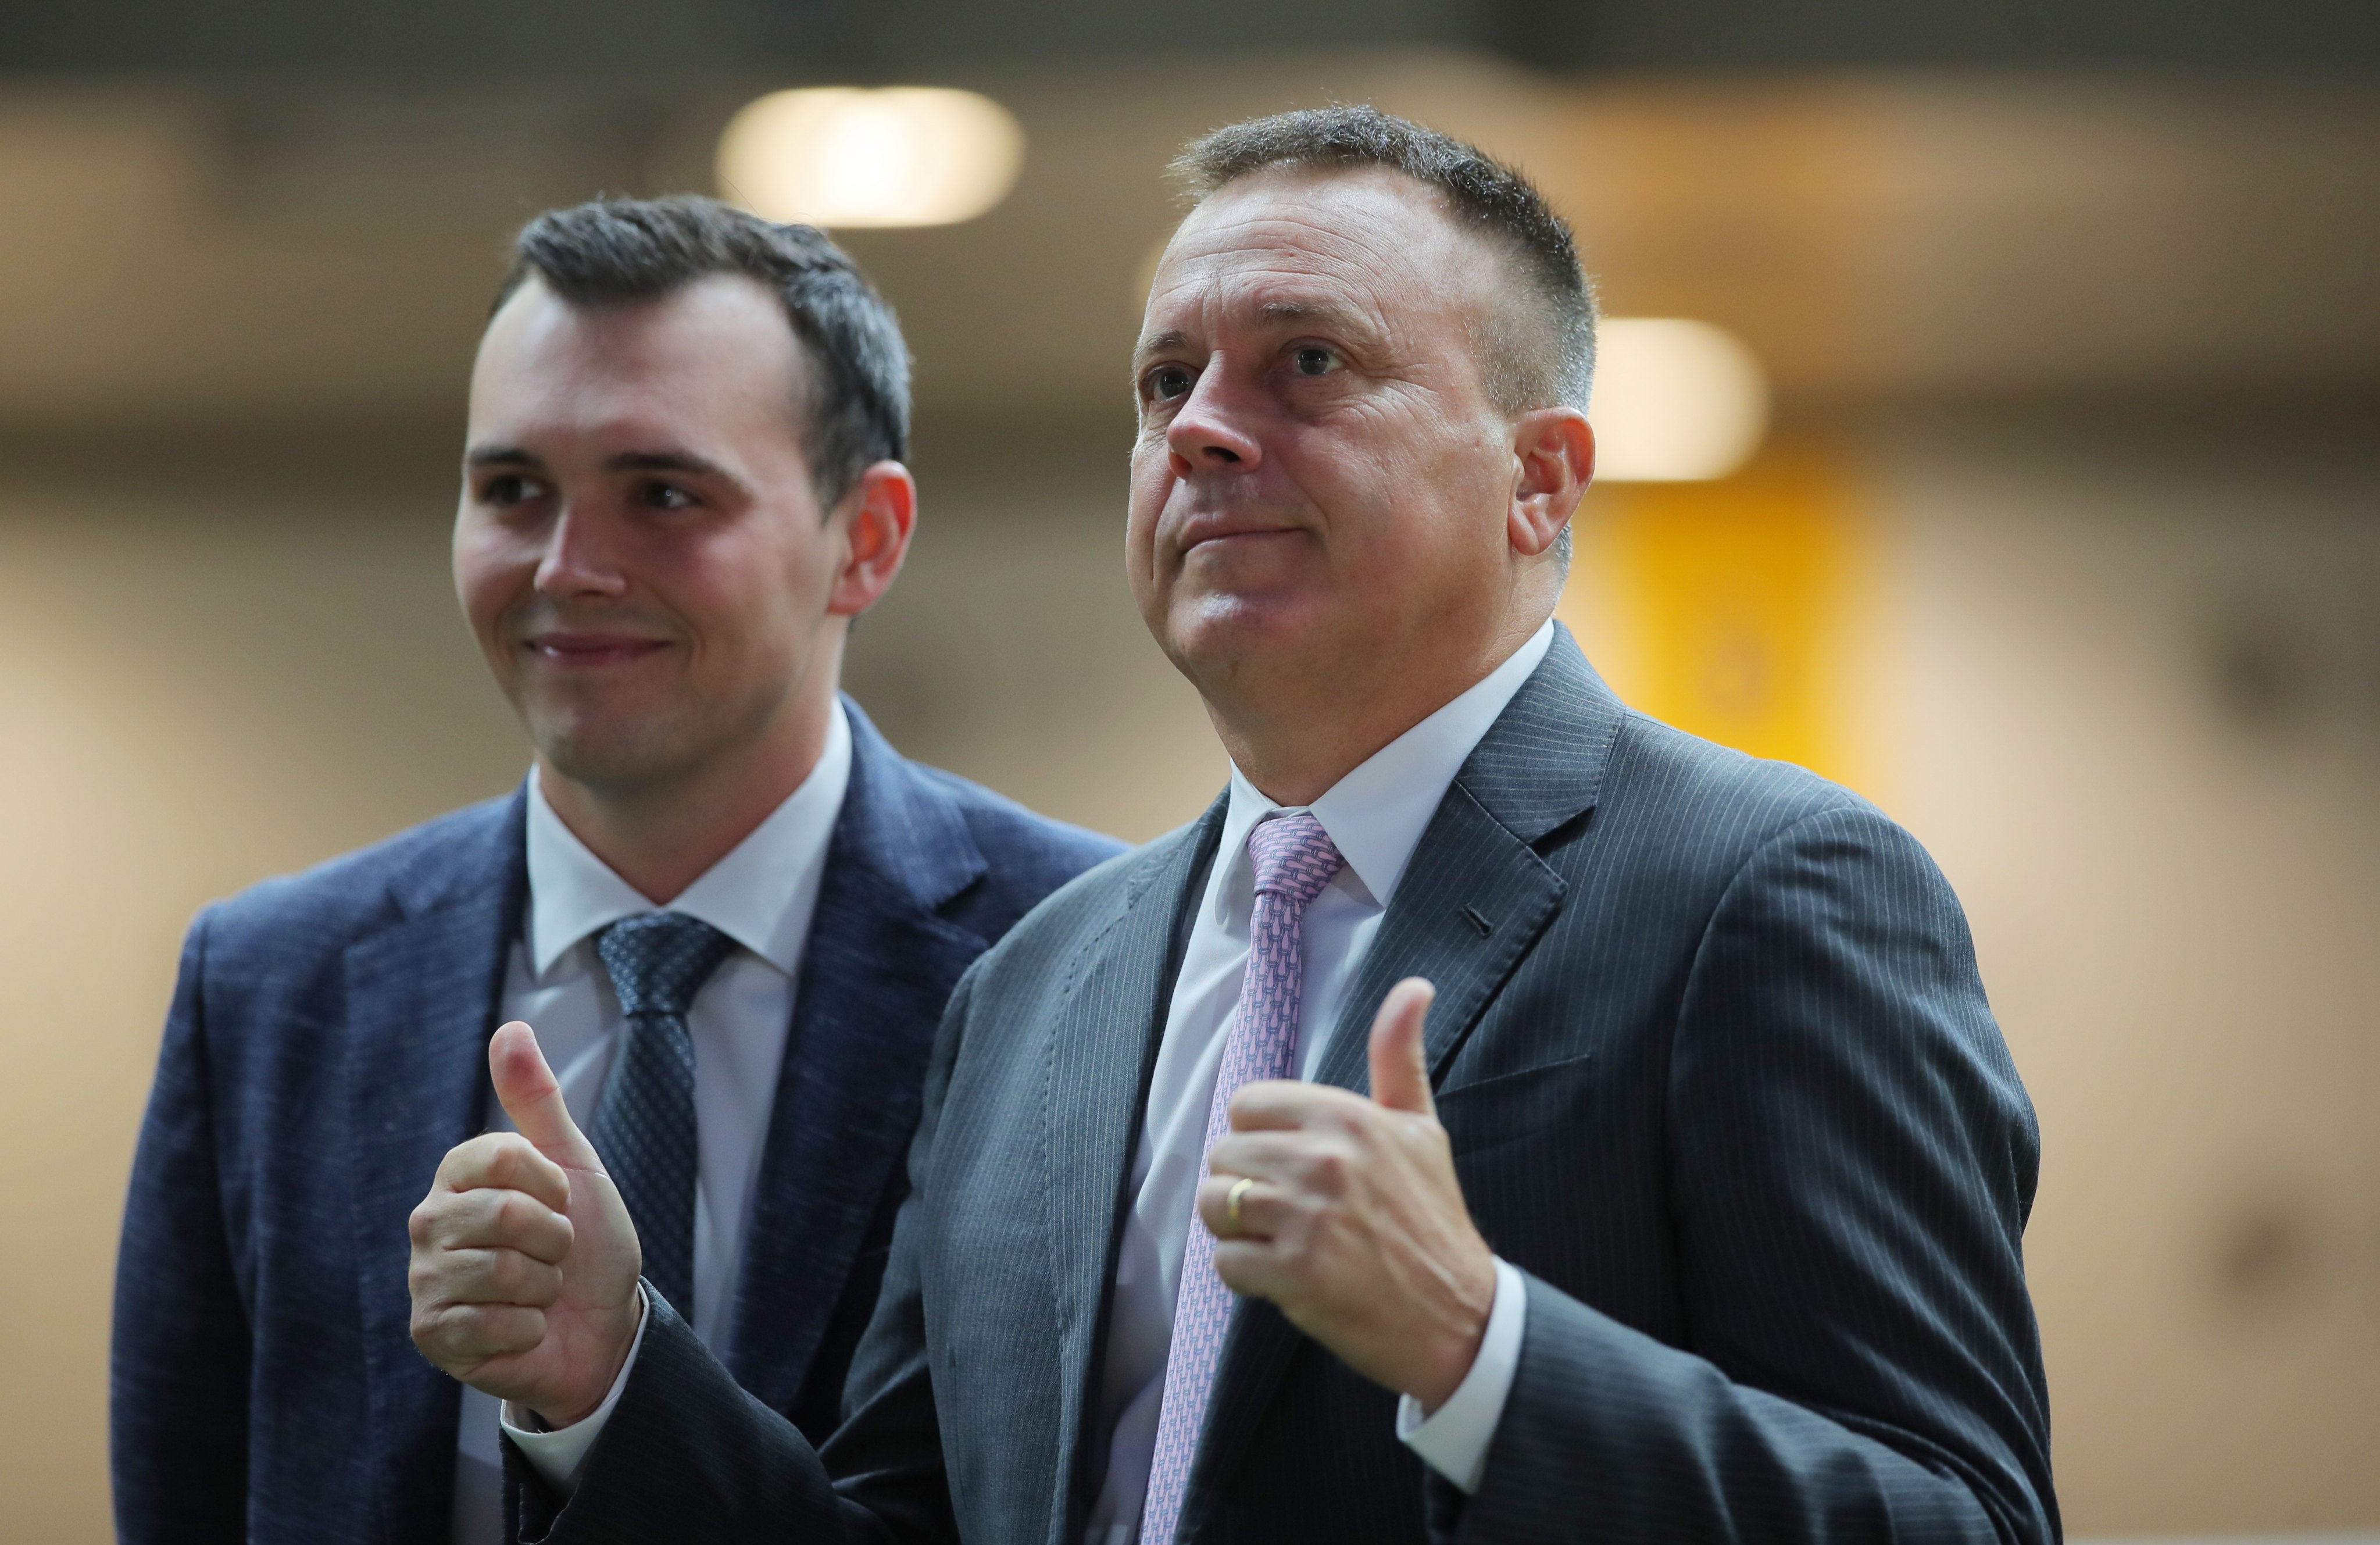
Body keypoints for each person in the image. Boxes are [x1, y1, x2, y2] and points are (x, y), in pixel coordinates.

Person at [409, 110, 2058, 1544]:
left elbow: (1959, 1516)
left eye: (1307, 364)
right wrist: (615, 1373)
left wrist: (1480, 1349)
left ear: (1537, 480)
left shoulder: (1765, 889)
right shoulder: (1037, 983)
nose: (1198, 425)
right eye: (1164, 379)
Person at [110, 195, 1121, 1545]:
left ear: (865, 540)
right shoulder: (271, 982)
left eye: (661, 494)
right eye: (512, 490)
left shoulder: (1084, 959)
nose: (568, 567)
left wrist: (611, 1393)